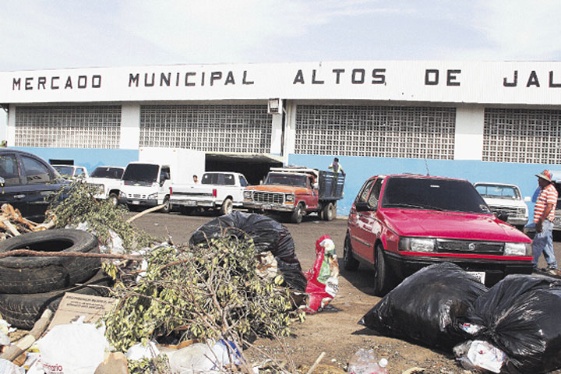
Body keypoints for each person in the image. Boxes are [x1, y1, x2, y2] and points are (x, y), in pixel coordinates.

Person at [531, 169, 558, 273]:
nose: (538, 181)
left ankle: (533, 263)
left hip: (545, 221)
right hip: (542, 220)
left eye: (540, 179)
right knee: (546, 243)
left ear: (546, 181)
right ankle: (552, 263)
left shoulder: (550, 190)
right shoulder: (543, 189)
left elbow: (549, 207)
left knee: (538, 241)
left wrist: (541, 221)